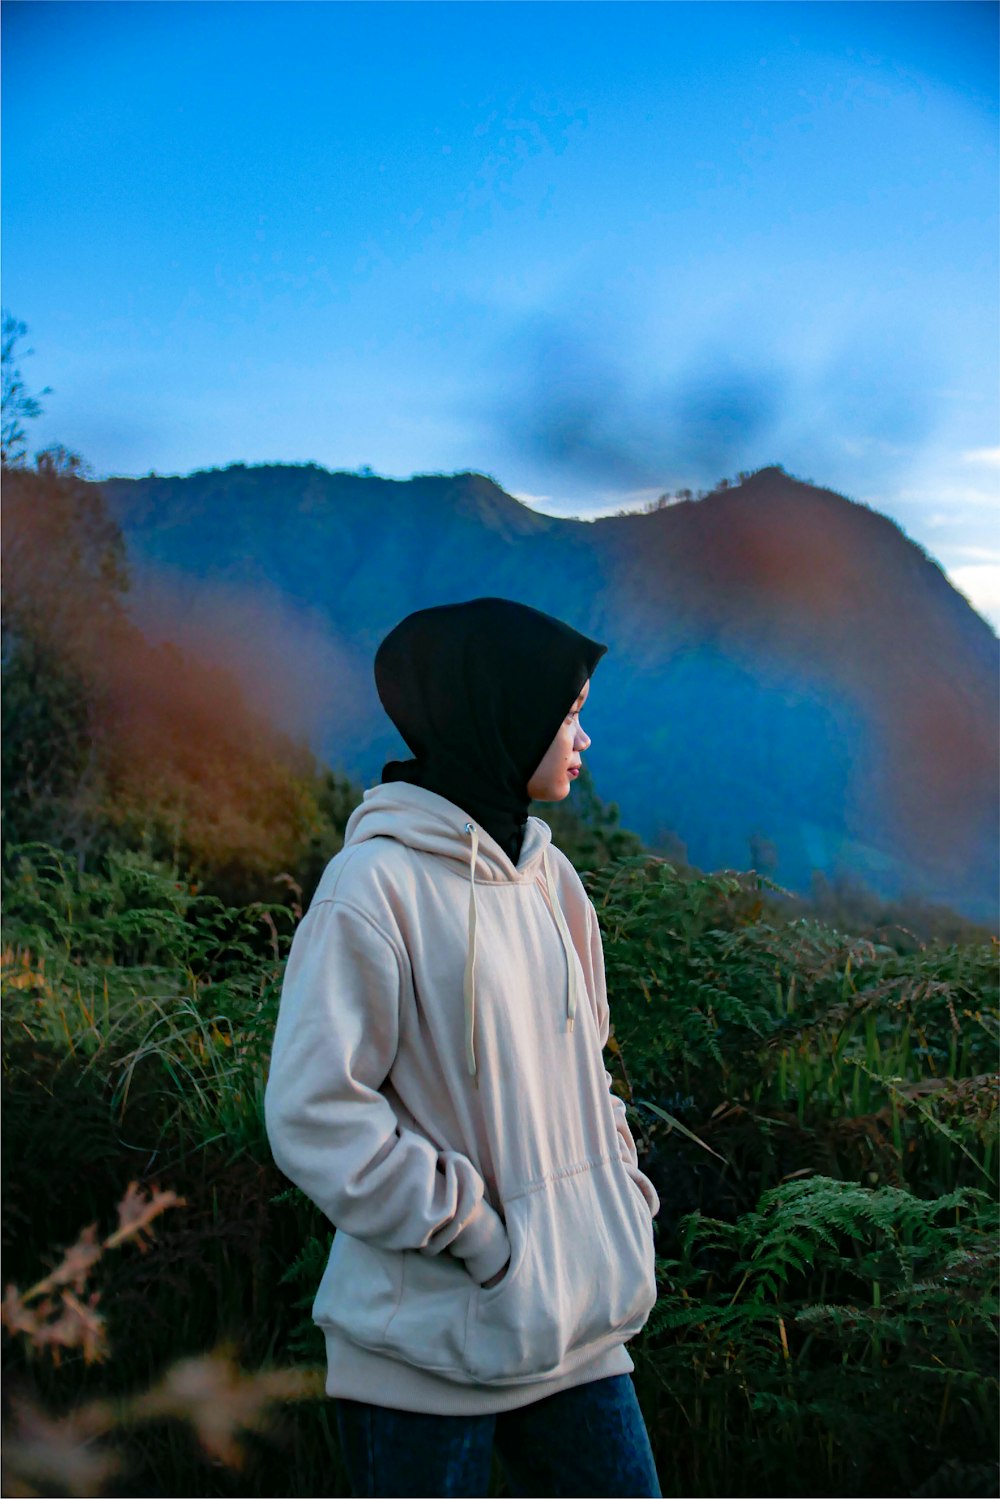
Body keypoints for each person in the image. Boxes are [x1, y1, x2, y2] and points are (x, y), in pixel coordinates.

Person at [264, 597, 662, 1498]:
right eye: (568, 713)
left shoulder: (550, 879)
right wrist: (475, 1232)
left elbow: (587, 1069)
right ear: (502, 712)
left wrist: (619, 1197)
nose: (582, 737)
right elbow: (314, 1111)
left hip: (577, 1330)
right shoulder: (373, 887)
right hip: (423, 1353)